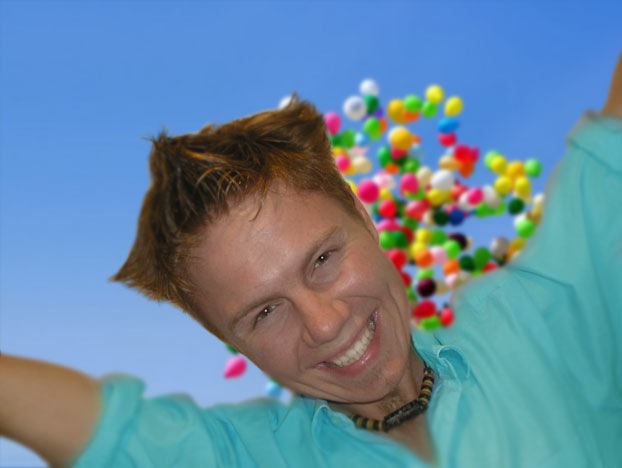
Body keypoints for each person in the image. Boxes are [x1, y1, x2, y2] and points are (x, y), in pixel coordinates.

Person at [1, 55, 621, 468]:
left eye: (322, 259)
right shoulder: (247, 458)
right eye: (265, 312)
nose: (324, 324)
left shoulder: (541, 319)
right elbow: (99, 432)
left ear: (364, 218)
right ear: (229, 340)